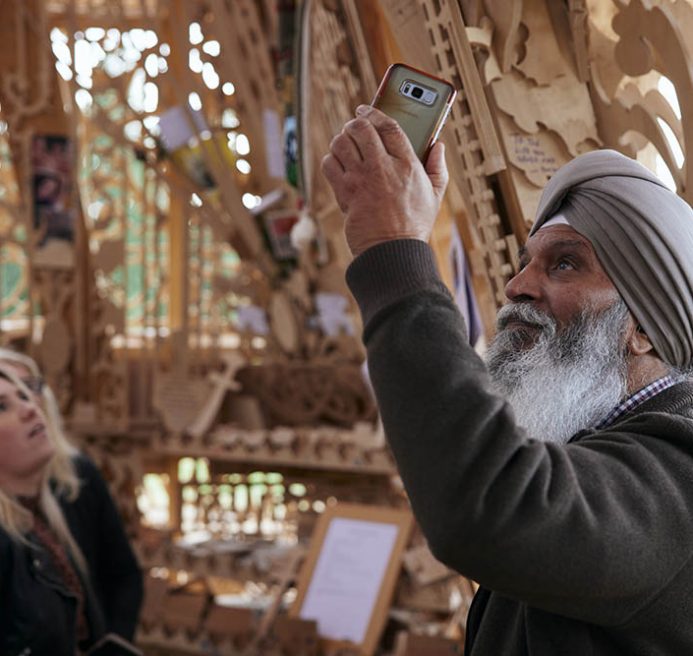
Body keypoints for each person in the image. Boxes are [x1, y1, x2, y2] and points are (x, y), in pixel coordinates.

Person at [322, 105, 693, 654]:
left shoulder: (678, 477)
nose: (517, 285)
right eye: (524, 262)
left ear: (643, 328)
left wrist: (393, 252)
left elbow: (487, 504)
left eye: (565, 264)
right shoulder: (596, 449)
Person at [0, 348, 143, 655]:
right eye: (2, 406)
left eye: (27, 393)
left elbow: (123, 576)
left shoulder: (64, 488)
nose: (30, 406)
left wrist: (115, 646)